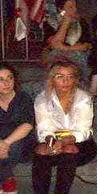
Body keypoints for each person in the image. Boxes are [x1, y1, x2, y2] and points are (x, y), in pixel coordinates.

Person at [32, 59, 97, 194]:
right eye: (60, 76)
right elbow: (44, 129)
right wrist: (53, 141)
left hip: (80, 144)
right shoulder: (42, 98)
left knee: (69, 149)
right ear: (52, 79)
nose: (65, 81)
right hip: (52, 141)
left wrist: (63, 141)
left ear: (75, 79)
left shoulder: (84, 98)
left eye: (70, 77)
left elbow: (83, 130)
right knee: (41, 150)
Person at [44, 0, 92, 84]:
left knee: (77, 56)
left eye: (75, 6)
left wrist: (64, 48)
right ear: (61, 9)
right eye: (70, 7)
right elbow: (53, 44)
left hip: (78, 54)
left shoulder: (81, 22)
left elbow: (85, 46)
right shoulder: (50, 22)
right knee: (57, 55)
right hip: (56, 54)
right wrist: (66, 22)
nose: (74, 10)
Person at [0, 63, 34, 194]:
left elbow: (27, 125)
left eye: (10, 78)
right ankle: (8, 182)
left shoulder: (23, 98)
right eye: (1, 80)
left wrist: (5, 143)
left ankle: (6, 183)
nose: (7, 83)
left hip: (23, 141)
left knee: (13, 146)